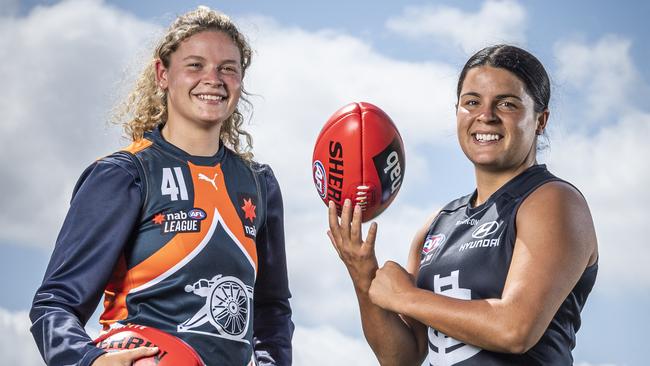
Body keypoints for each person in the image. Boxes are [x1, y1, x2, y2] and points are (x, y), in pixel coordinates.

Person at [30, 6, 293, 366]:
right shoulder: (124, 175)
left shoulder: (259, 183)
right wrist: (89, 360)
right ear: (162, 74)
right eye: (195, 65)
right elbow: (55, 303)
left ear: (240, 80)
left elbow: (271, 309)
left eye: (227, 68)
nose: (213, 78)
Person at [327, 44, 598, 365]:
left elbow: (515, 329)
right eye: (472, 102)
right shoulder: (436, 226)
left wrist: (407, 297)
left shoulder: (553, 201)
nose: (486, 116)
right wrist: (363, 276)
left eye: (507, 104)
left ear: (540, 120)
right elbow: (403, 358)